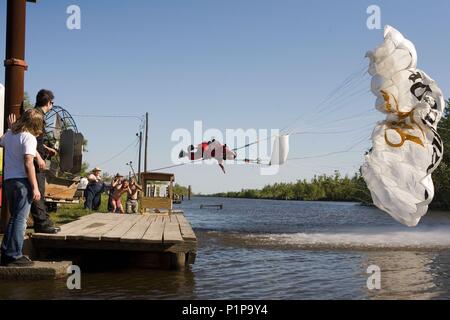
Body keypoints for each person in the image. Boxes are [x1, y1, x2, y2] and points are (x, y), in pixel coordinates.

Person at [0, 110, 43, 267]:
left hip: (9, 181)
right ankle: (14, 255)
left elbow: (1, 141)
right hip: (22, 182)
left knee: (14, 217)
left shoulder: (10, 135)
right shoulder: (29, 138)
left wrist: (10, 128)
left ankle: (6, 253)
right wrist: (35, 187)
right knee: (20, 219)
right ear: (37, 124)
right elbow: (28, 162)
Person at [30, 89, 61, 234]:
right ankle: (42, 224)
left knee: (40, 192)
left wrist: (46, 148)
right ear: (49, 102)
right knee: (38, 192)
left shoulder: (36, 114)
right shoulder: (36, 116)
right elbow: (28, 139)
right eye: (52, 103)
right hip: (34, 161)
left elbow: (35, 140)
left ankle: (44, 221)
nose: (52, 105)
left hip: (36, 158)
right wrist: (38, 156)